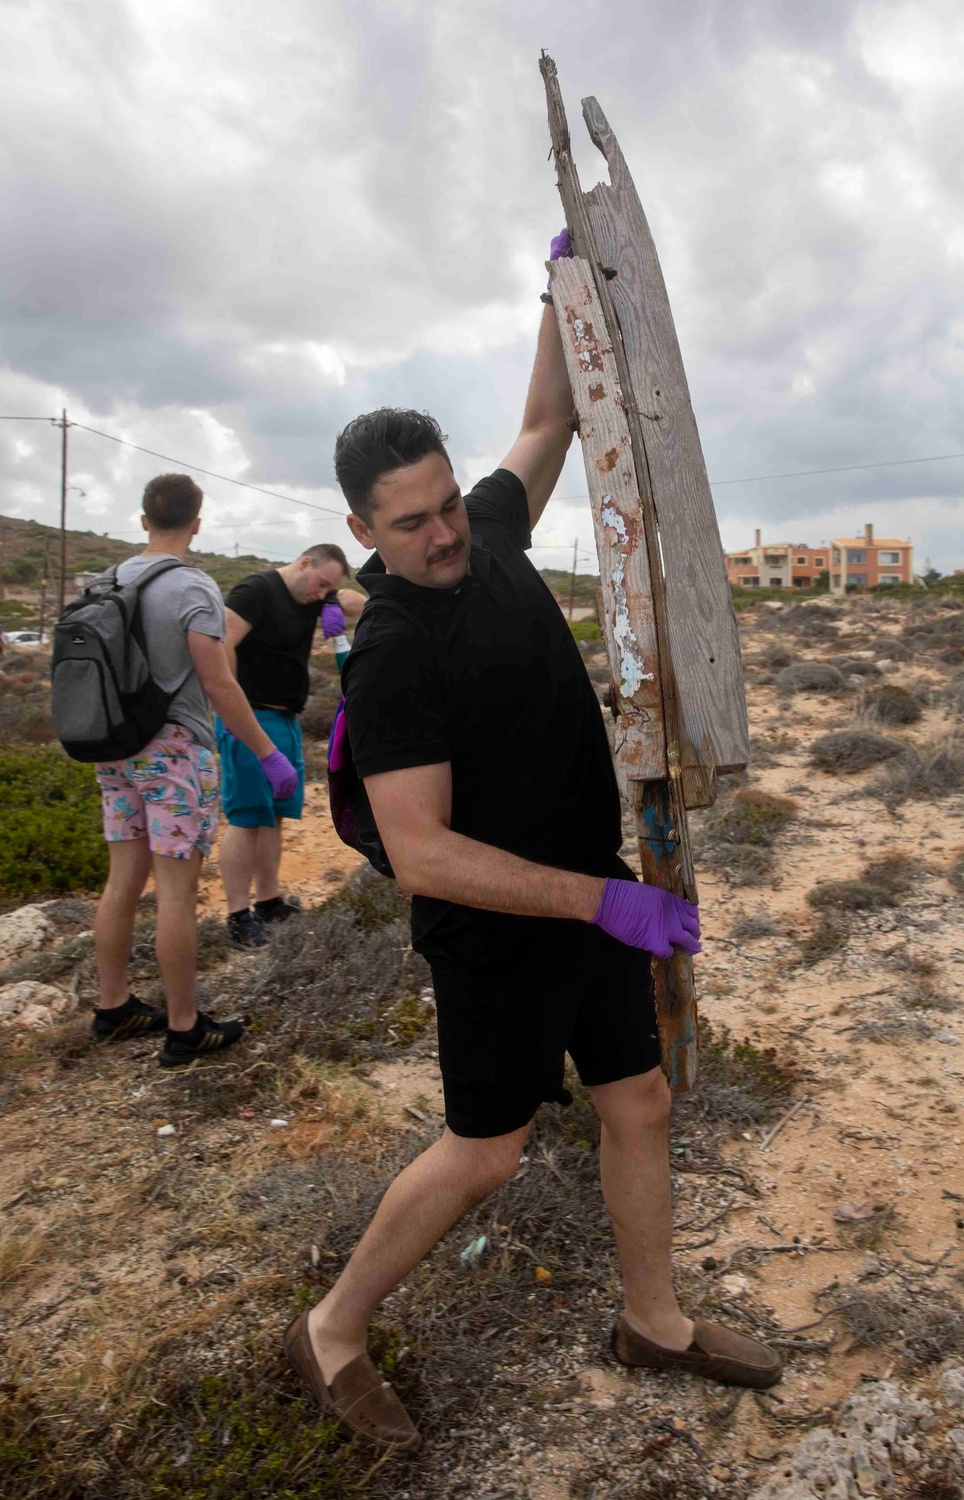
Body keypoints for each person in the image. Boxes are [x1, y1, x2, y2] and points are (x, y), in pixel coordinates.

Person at [282, 234, 782, 1451]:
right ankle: (333, 1327)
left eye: (449, 503)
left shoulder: (489, 529)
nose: (447, 534)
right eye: (412, 523)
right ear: (361, 527)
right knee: (488, 1151)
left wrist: (557, 290)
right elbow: (423, 853)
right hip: (498, 933)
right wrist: (599, 904)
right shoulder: (396, 647)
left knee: (641, 1100)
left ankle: (651, 1323)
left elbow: (551, 423)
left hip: (588, 899)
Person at [91, 474, 298, 1067]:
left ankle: (113, 1007)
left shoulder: (109, 578)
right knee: (176, 893)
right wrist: (267, 752)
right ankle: (183, 1027)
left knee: (122, 881)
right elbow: (218, 683)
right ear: (198, 522)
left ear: (143, 519)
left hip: (114, 750)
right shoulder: (192, 587)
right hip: (175, 753)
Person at [217, 546, 365, 947]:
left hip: (286, 719)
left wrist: (334, 599)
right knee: (246, 817)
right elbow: (221, 644)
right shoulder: (257, 590)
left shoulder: (312, 596)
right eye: (321, 583)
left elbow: (359, 603)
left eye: (328, 588)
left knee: (274, 815)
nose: (320, 594)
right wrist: (232, 709)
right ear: (304, 563)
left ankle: (268, 903)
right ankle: (236, 916)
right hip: (249, 717)